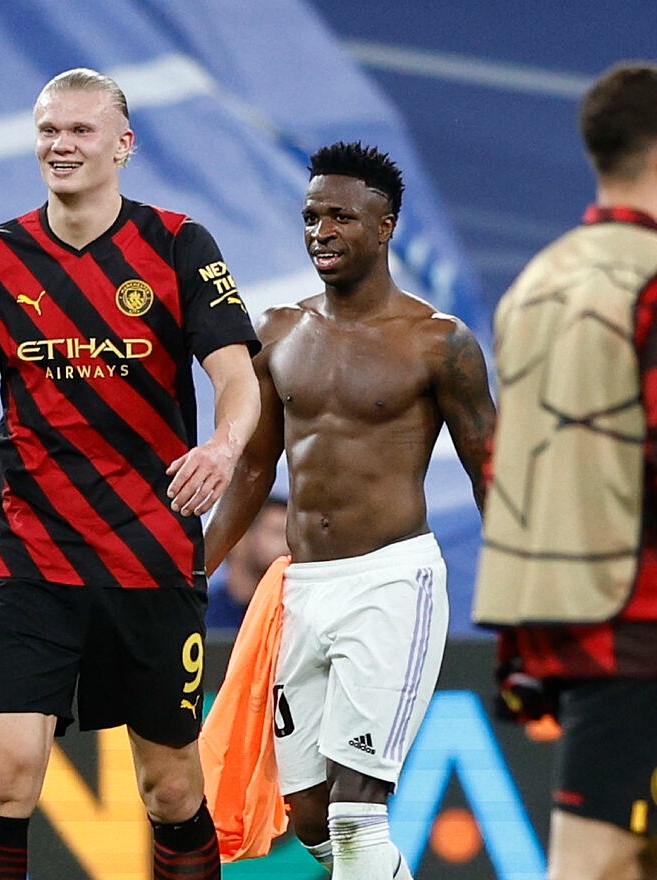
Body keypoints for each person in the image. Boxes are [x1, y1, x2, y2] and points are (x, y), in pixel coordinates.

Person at [0, 68, 261, 879]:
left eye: (80, 130)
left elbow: (237, 380)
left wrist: (221, 447)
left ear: (123, 145)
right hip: (31, 558)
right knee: (1, 777)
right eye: (48, 131)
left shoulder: (178, 244)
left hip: (150, 554)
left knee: (170, 789)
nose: (60, 145)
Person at [202, 141, 495, 878]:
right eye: (311, 216)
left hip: (391, 583)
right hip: (302, 588)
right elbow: (255, 468)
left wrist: (521, 594)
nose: (321, 232)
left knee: (357, 812)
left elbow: (489, 469)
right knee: (307, 814)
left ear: (385, 226)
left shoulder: (440, 342)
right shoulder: (277, 332)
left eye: (340, 216)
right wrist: (192, 567)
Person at [473, 62, 657, 880]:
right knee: (596, 862)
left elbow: (508, 466)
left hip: (567, 620)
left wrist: (519, 643)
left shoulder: (536, 282)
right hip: (640, 621)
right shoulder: (648, 282)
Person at [206, 495, 289, 630]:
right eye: (277, 533)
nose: (288, 546)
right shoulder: (202, 616)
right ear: (238, 539)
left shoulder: (292, 616)